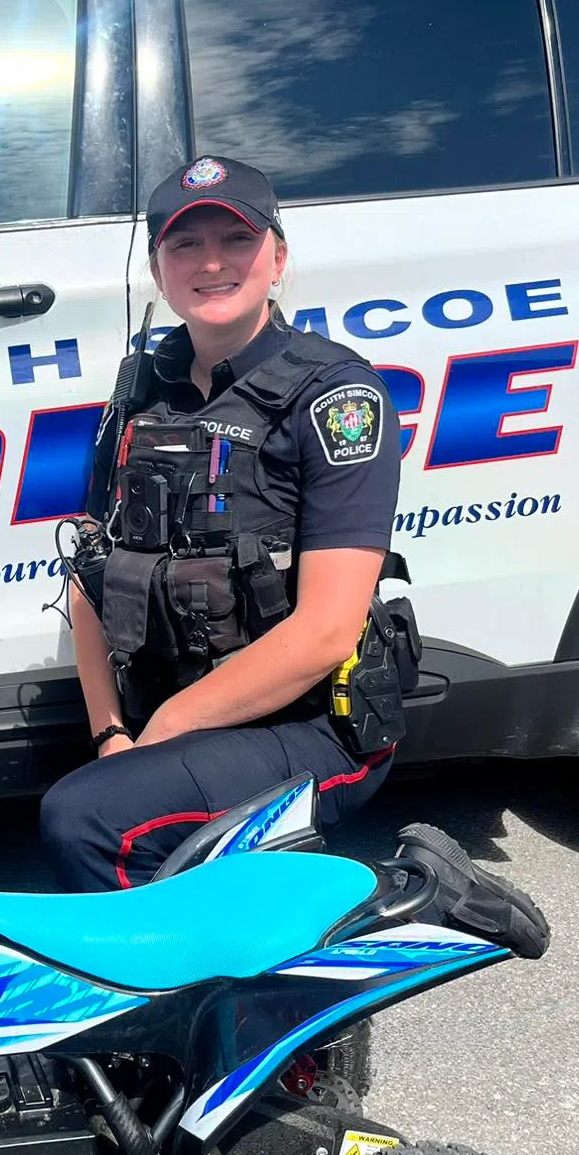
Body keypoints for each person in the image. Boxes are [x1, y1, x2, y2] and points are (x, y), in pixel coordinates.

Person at [40, 155, 407, 890]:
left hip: (310, 725)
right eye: (185, 244)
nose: (212, 262)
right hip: (173, 714)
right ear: (158, 266)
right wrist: (111, 734)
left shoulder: (334, 395)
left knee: (87, 819)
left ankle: (190, 996)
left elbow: (328, 631)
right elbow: (88, 573)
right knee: (102, 795)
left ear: (277, 258)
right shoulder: (138, 394)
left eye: (236, 240)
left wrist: (166, 729)